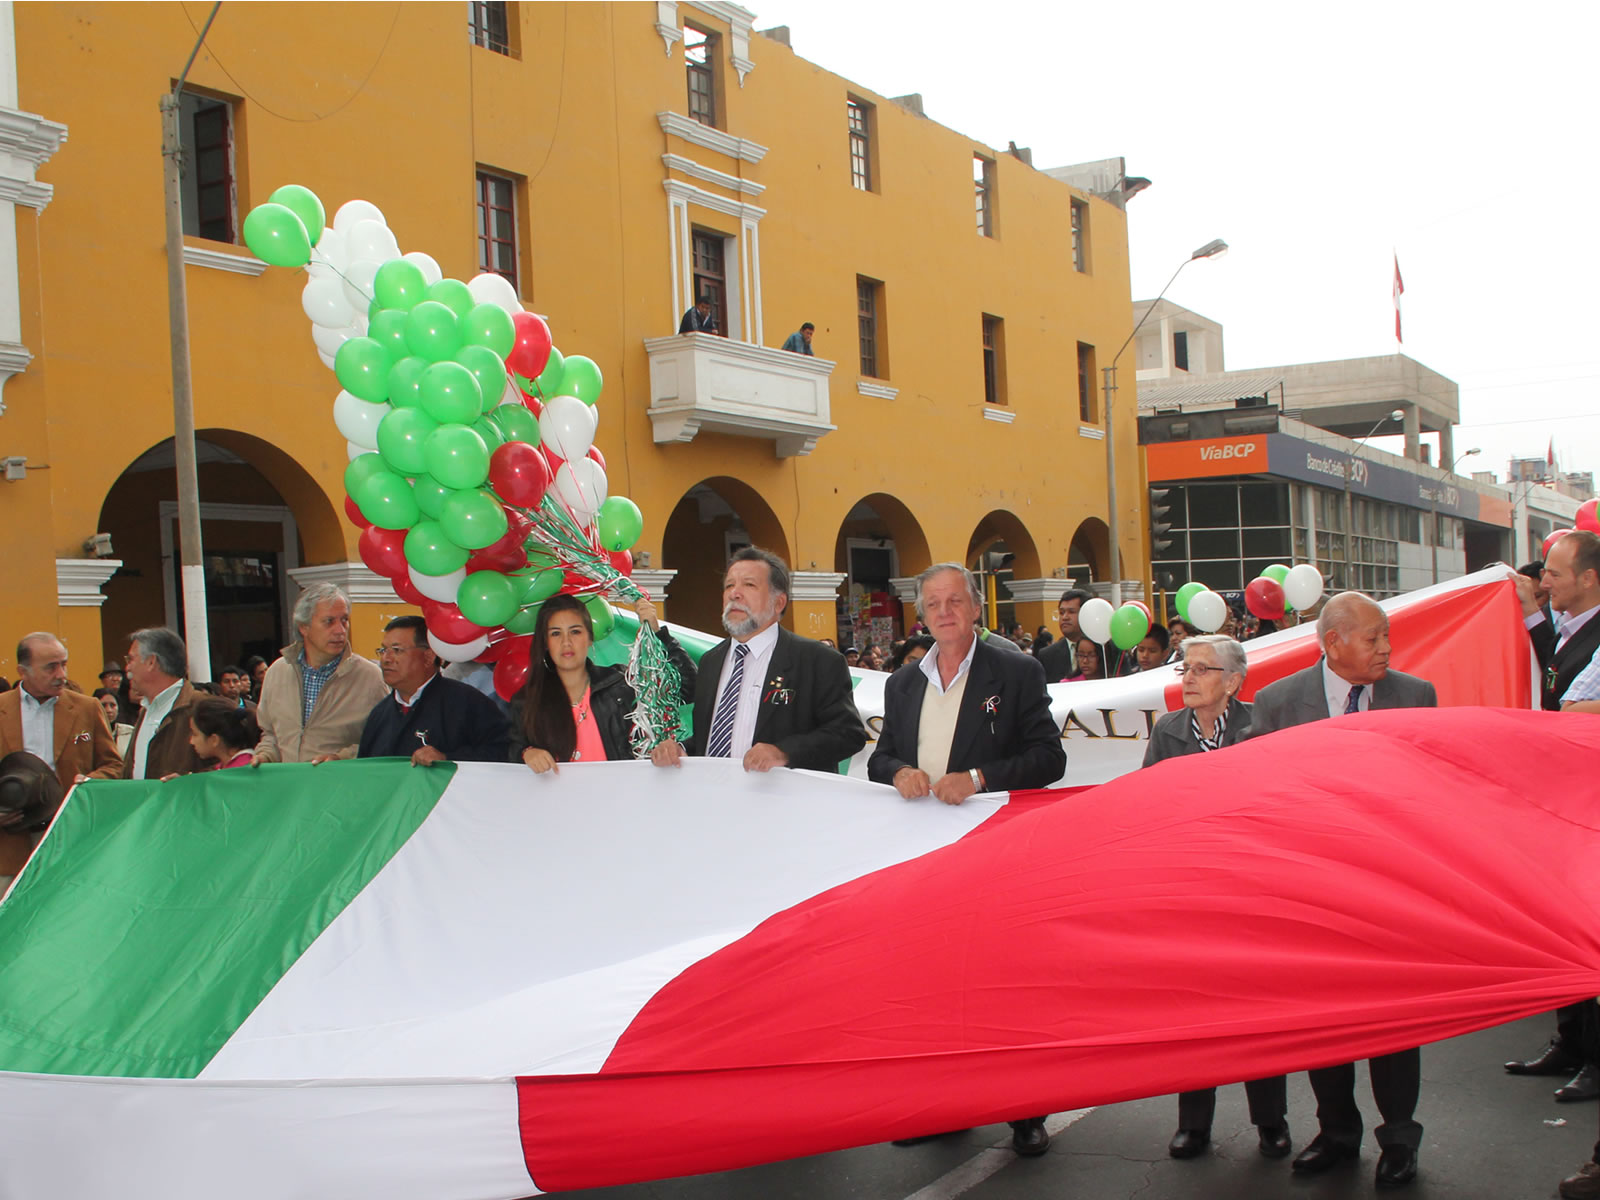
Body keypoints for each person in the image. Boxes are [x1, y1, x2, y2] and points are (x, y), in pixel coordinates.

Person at [869, 562, 1065, 1157]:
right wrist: (898, 770)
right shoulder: (903, 683)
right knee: (931, 987)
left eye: (956, 600)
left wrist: (979, 777)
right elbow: (880, 759)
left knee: (1002, 984)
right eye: (933, 603)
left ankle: (1025, 1111)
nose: (944, 611)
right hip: (923, 860)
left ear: (976, 609)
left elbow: (1048, 758)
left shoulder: (1016, 671)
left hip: (993, 853)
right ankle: (943, 1106)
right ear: (921, 614)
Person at [1245, 591, 1435, 1190]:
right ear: (1333, 643)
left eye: (1386, 636)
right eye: (1374, 637)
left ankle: (1400, 1137)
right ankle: (1337, 1132)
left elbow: (1430, 792)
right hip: (1310, 891)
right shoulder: (1277, 703)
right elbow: (1256, 795)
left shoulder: (1415, 695)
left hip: (1391, 890)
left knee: (1394, 1021)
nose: (1386, 647)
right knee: (1324, 1019)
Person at [1142, 634, 1291, 1161]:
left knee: (1257, 1011)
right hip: (1190, 890)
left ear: (1232, 681)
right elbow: (1148, 807)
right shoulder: (1168, 731)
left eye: (1203, 670)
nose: (1189, 678)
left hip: (1251, 890)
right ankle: (1193, 1125)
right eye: (1186, 668)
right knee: (1194, 1012)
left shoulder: (1261, 728)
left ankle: (1271, 1121)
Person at [1507, 533, 1600, 1105]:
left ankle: (1594, 1057)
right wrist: (1531, 617)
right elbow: (1556, 681)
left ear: (1589, 578)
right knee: (1565, 926)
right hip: (1564, 800)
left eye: (1555, 576)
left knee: (1588, 933)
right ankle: (1571, 1041)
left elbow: (1569, 704)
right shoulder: (1570, 630)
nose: (1545, 584)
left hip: (1588, 803)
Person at [651, 548, 866, 773]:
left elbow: (848, 733)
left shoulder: (818, 661)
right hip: (716, 798)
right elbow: (716, 741)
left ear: (779, 602)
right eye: (729, 585)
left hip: (786, 802)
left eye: (749, 585)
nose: (735, 593)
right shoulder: (710, 662)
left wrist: (783, 752)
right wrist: (681, 748)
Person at [512, 594, 695, 771]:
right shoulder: (527, 701)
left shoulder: (621, 684)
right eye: (555, 634)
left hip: (621, 799)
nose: (566, 642)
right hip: (557, 802)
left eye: (575, 632)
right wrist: (526, 753)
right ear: (545, 643)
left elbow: (689, 687)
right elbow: (510, 751)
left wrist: (658, 634)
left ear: (590, 638)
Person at [0, 632, 123, 887]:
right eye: (50, 667)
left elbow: (113, 765)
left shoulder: (87, 708)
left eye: (63, 664)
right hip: (10, 844)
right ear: (23, 671)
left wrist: (87, 782)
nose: (61, 674)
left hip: (70, 838)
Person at [253, 583, 388, 765]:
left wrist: (341, 758)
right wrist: (265, 756)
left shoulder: (370, 677)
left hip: (340, 787)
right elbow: (270, 734)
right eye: (329, 621)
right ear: (304, 627)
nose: (340, 630)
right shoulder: (277, 672)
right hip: (288, 788)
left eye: (344, 620)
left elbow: (383, 739)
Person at [358, 616, 511, 766]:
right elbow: (365, 769)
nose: (386, 658)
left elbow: (503, 751)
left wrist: (448, 758)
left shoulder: (467, 702)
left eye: (397, 650)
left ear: (428, 657)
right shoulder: (379, 714)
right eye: (383, 650)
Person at [120, 627, 207, 781]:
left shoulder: (201, 708)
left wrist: (191, 783)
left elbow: (231, 768)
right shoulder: (145, 711)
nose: (127, 667)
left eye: (131, 659)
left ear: (151, 662)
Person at [185, 697, 261, 770]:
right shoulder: (226, 767)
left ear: (214, 740)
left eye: (195, 734)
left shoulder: (242, 771)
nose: (191, 741)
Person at [1037, 588, 1090, 682]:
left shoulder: (1106, 650)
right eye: (1062, 612)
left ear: (1086, 614)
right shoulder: (1047, 655)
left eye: (1071, 612)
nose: (1065, 617)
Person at [93, 687, 135, 757]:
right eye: (103, 705)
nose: (109, 710)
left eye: (112, 705)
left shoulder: (129, 732)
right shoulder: (87, 733)